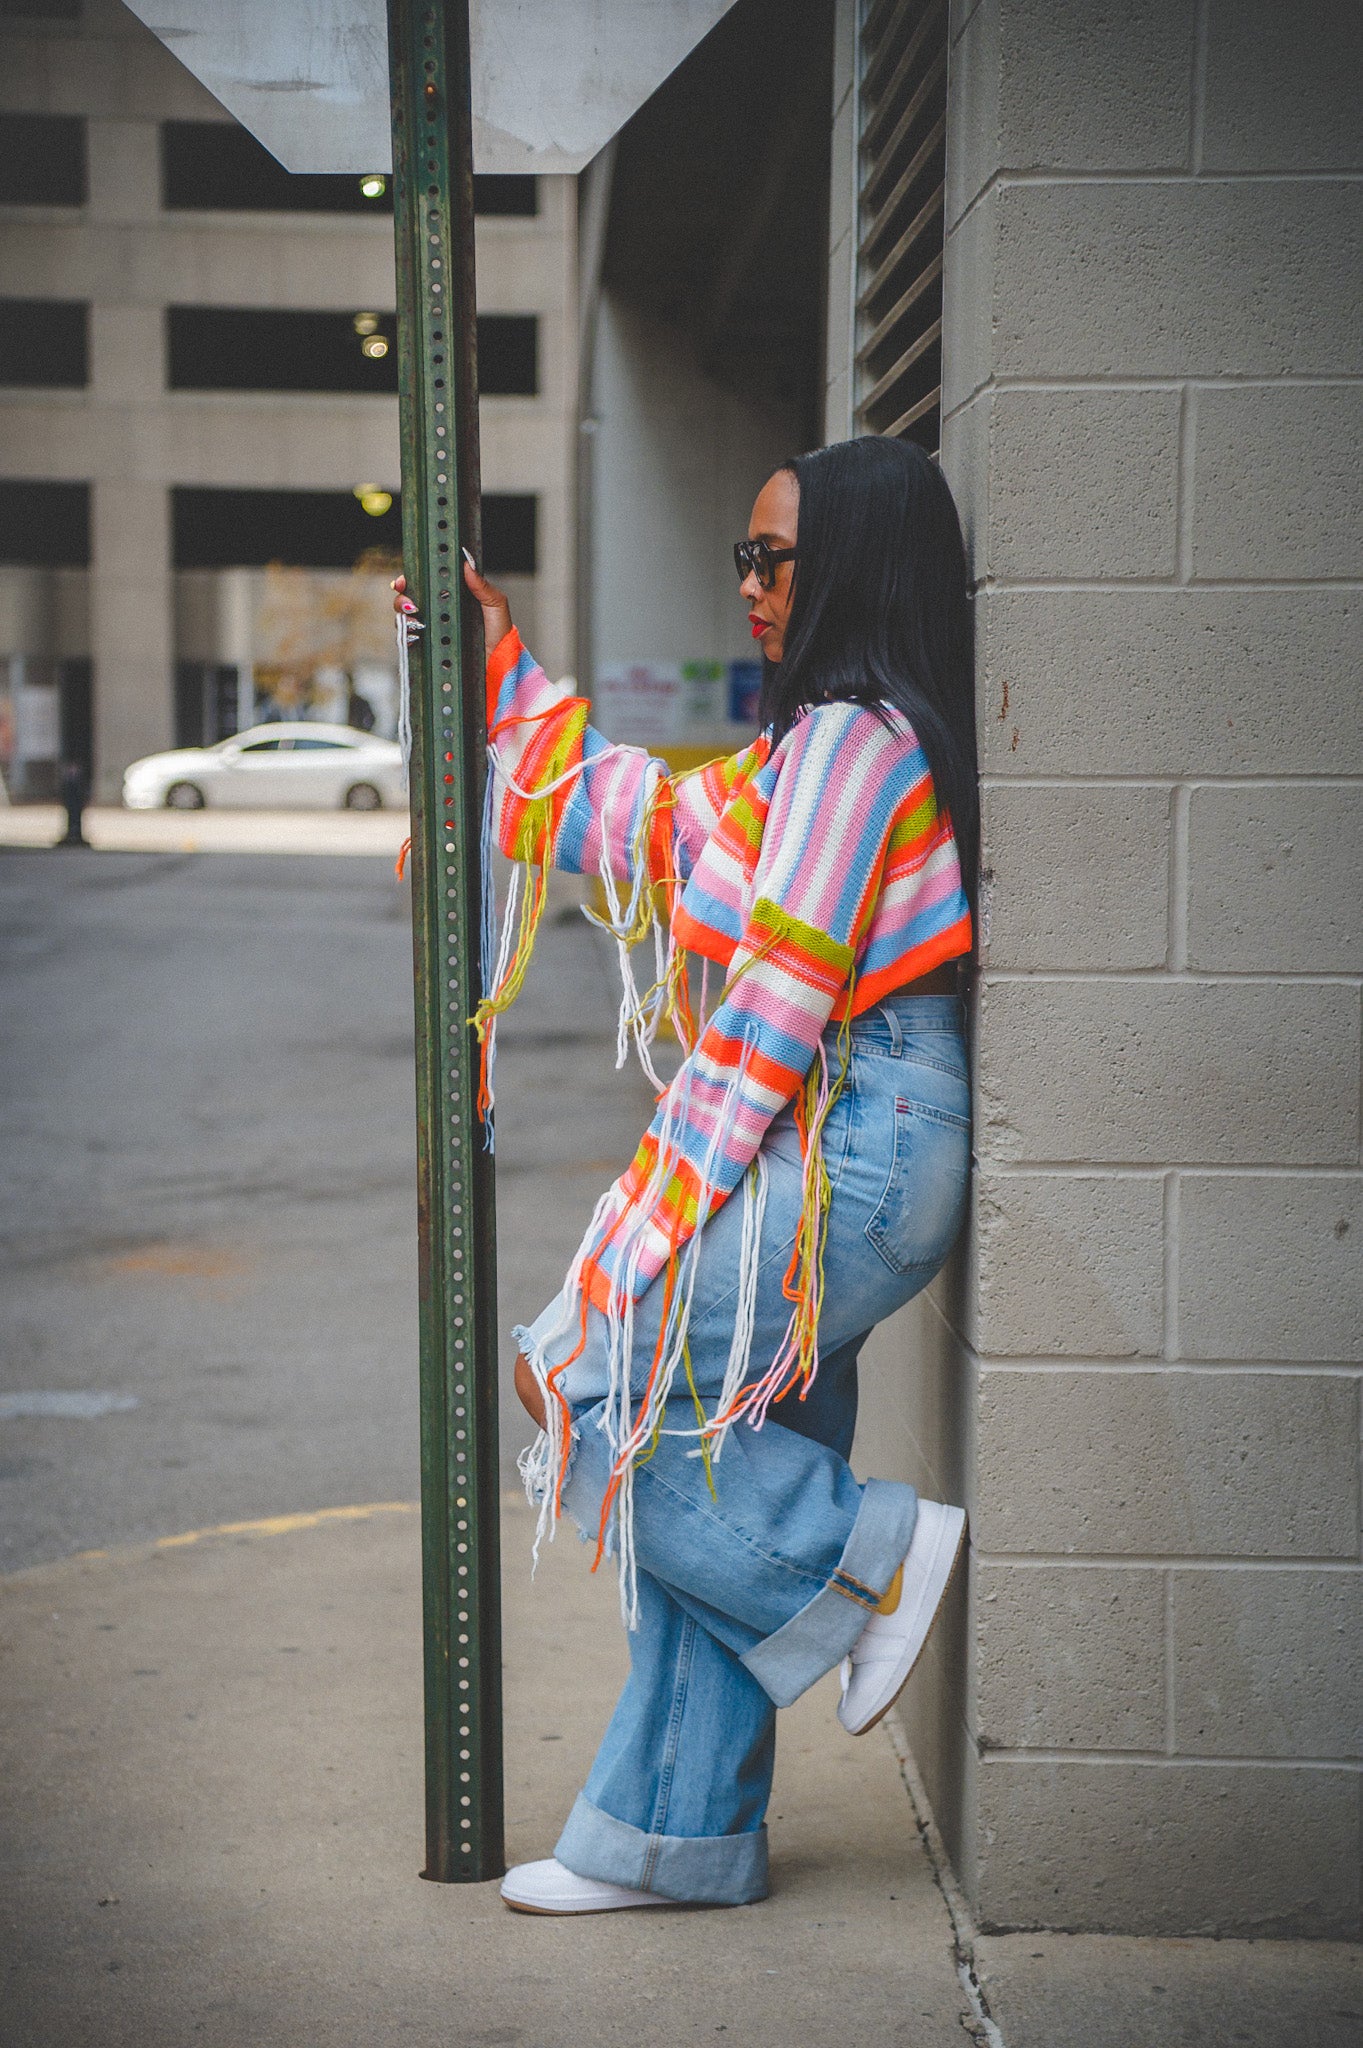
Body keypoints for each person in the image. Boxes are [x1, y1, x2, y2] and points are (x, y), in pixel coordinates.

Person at [394, 434, 977, 1915]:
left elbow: (769, 1013)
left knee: (590, 1368)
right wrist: (489, 668)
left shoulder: (855, 746)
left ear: (852, 561)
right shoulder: (810, 751)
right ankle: (673, 1837)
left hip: (861, 1138)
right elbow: (641, 820)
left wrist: (637, 1233)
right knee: (700, 1433)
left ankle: (864, 1562)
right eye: (743, 558)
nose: (754, 586)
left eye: (777, 558)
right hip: (854, 1136)